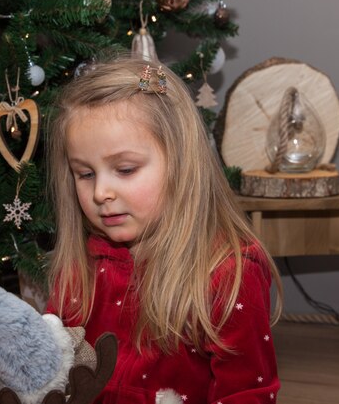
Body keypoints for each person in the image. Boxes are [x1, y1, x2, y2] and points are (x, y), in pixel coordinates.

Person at [45, 55, 283, 404]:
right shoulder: (80, 265)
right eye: (85, 173)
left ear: (181, 163)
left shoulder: (228, 274)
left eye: (125, 169)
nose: (100, 193)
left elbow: (247, 395)